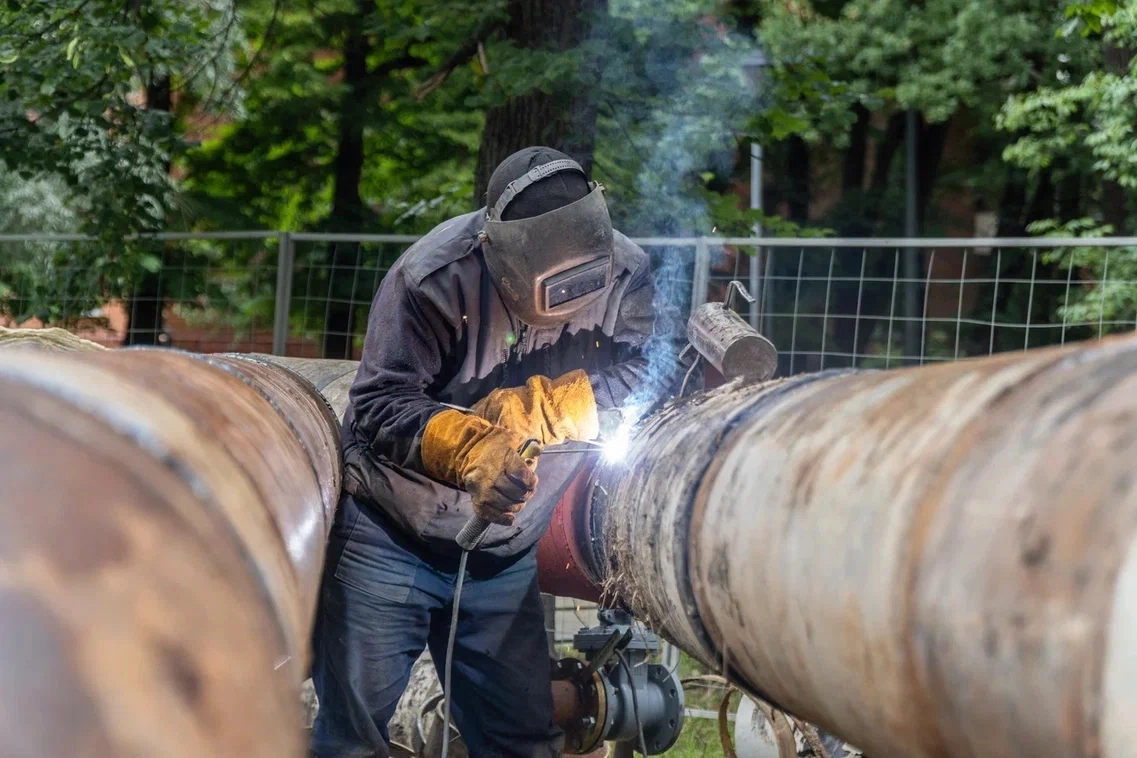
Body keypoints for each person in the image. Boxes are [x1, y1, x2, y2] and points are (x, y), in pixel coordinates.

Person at [309, 146, 668, 757]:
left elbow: (649, 374)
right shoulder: (433, 279)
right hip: (389, 539)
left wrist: (544, 409)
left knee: (522, 743)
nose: (575, 306)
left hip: (502, 556)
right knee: (353, 743)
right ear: (497, 254)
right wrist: (470, 446)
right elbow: (378, 402)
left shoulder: (625, 274)